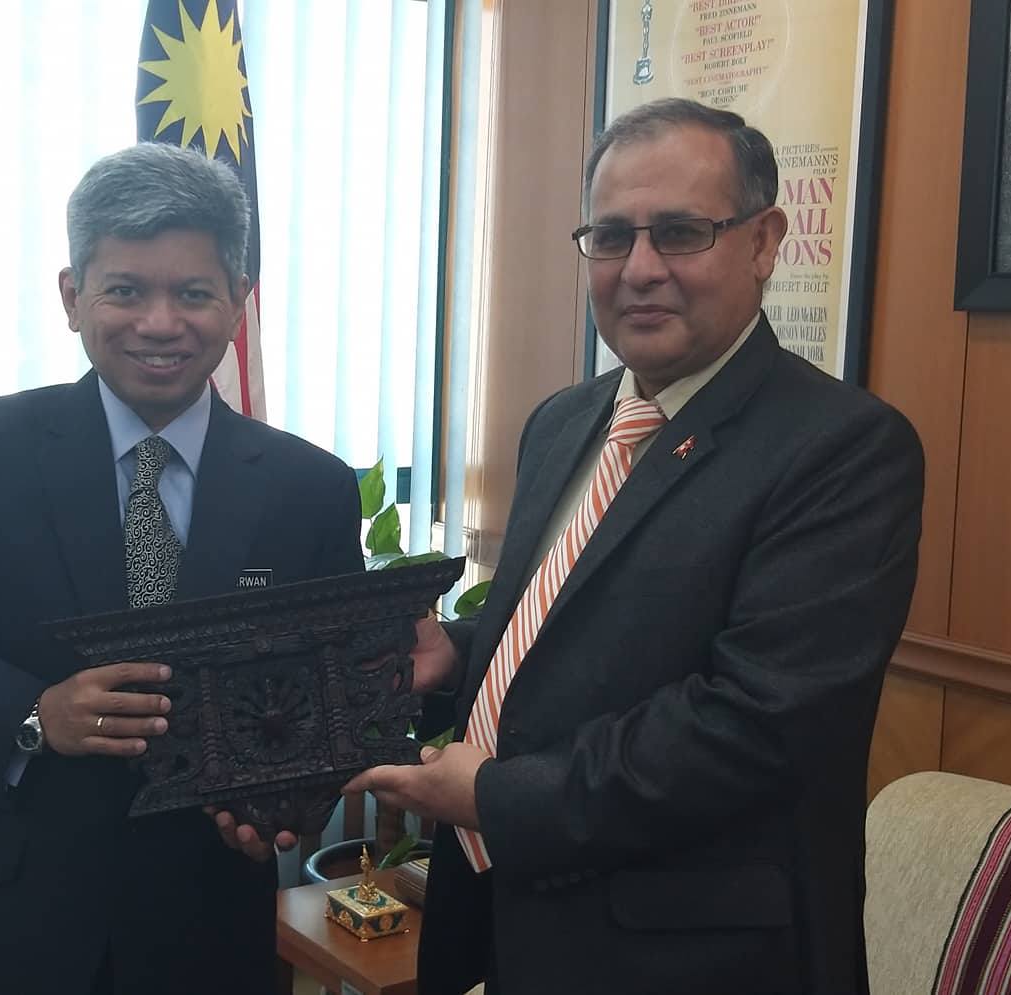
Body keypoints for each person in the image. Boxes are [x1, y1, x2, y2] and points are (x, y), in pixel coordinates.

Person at [344, 98, 925, 995]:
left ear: (764, 242)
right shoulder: (563, 421)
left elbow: (754, 729)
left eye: (681, 233)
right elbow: (586, 634)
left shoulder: (844, 450)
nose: (641, 269)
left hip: (692, 961)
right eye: (611, 237)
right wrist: (456, 656)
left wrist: (495, 797)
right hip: (504, 925)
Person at [0, 142, 364, 995]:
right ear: (71, 296)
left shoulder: (311, 489)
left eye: (193, 293)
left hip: (208, 929)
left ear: (238, 302)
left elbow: (332, 691)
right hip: (5, 924)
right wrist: (33, 713)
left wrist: (289, 801)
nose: (159, 323)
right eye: (125, 290)